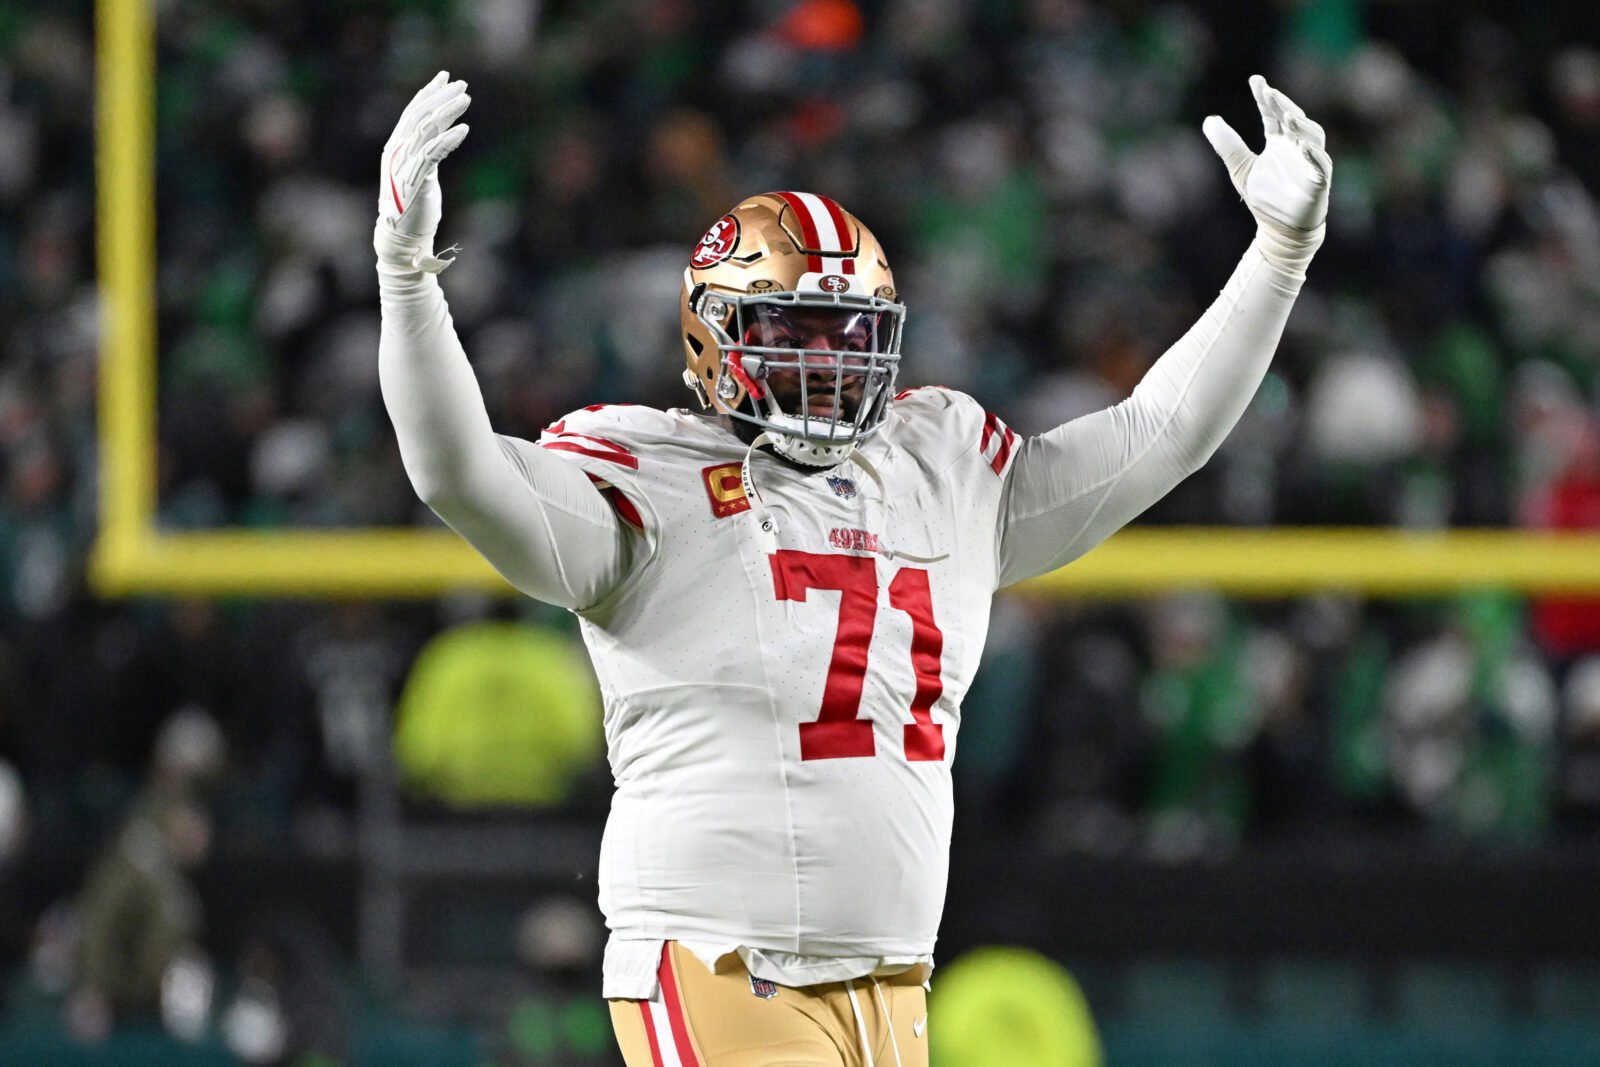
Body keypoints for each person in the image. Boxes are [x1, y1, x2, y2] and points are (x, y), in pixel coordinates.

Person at [375, 70, 1330, 1067]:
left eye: (852, 334)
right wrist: (406, 279)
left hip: (892, 977)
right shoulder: (651, 479)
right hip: (720, 957)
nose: (830, 362)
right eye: (795, 333)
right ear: (712, 335)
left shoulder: (939, 464)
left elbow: (1158, 433)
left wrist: (1279, 253)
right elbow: (457, 472)